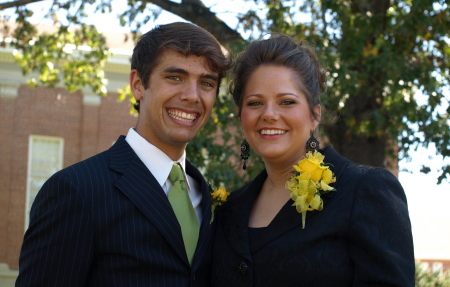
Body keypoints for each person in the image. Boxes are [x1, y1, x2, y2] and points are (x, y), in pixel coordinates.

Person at [15, 22, 231, 287]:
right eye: (175, 77)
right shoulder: (75, 190)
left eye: (206, 83)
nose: (192, 95)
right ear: (138, 85)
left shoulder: (206, 198)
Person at [211, 35, 415, 286]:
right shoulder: (229, 210)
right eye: (255, 103)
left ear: (314, 115)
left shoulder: (364, 190)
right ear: (241, 116)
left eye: (287, 102)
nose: (269, 114)